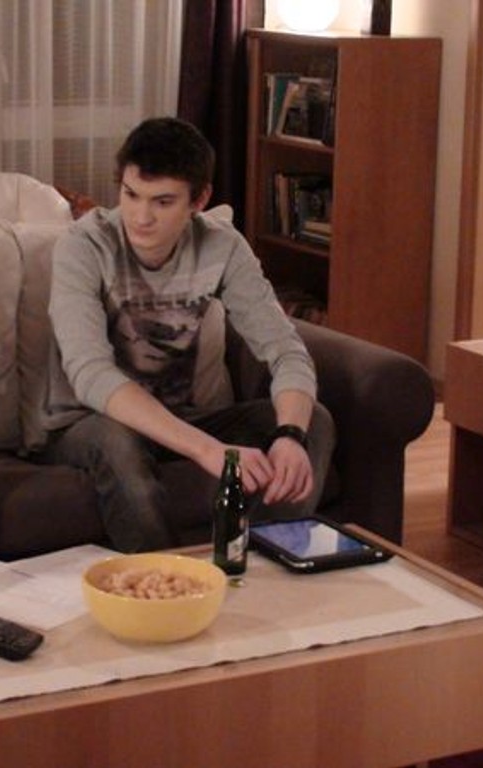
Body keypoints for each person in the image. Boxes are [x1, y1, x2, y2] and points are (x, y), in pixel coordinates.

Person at [44, 116, 335, 553]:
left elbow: (286, 352)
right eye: (131, 195)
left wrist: (291, 436)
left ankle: (259, 568)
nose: (140, 217)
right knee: (117, 442)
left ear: (199, 200)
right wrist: (207, 450)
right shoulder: (84, 246)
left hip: (187, 416)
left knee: (314, 422)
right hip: (89, 423)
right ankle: (166, 584)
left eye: (162, 202)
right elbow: (91, 375)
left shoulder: (222, 246)